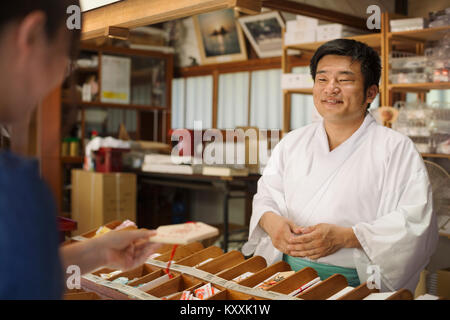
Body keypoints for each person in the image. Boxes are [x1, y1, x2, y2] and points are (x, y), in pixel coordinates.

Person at [242, 38, 439, 293]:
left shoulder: (396, 148)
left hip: (356, 284)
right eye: (322, 79)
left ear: (370, 93)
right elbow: (266, 194)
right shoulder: (292, 142)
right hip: (286, 275)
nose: (330, 89)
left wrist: (347, 237)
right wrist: (271, 222)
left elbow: (415, 223)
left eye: (344, 80)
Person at [0, 1, 160, 299]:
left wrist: (98, 251)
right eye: (63, 59)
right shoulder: (15, 190)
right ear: (32, 35)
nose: (57, 80)